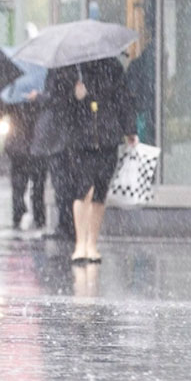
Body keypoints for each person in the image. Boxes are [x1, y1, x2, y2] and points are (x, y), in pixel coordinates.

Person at [67, 57, 137, 264]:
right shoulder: (73, 68)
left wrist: (129, 129)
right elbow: (58, 103)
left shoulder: (112, 66)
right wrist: (75, 95)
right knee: (83, 189)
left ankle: (92, 244)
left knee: (99, 192)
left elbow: (123, 98)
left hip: (108, 137)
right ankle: (80, 244)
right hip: (81, 140)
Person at [31, 66, 78, 239]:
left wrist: (39, 97)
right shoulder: (71, 70)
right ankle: (67, 224)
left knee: (62, 182)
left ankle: (66, 225)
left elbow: (58, 99)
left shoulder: (61, 71)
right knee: (63, 181)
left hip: (59, 135)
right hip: (64, 134)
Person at [4, 94, 47, 230]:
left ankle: (19, 211)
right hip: (35, 144)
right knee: (37, 183)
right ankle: (37, 216)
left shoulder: (15, 92)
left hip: (20, 145)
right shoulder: (40, 92)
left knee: (20, 182)